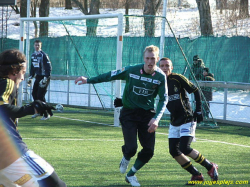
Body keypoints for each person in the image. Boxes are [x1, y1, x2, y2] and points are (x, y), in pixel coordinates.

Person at [75, 45, 168, 187]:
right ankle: (126, 157)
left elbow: (163, 99)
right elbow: (110, 75)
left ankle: (131, 175)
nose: (150, 62)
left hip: (147, 116)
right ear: (144, 58)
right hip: (129, 113)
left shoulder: (160, 77)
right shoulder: (131, 70)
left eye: (153, 59)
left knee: (149, 151)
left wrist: (156, 119)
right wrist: (89, 80)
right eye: (147, 58)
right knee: (131, 149)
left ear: (157, 59)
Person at [0, 49, 66, 187]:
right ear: (14, 71)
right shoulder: (7, 83)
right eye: (23, 73)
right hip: (12, 155)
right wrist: (31, 109)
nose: (23, 78)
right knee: (56, 184)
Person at [159, 57, 218, 185]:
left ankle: (210, 167)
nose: (164, 68)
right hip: (174, 121)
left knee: (184, 148)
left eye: (167, 66)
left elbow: (195, 90)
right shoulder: (158, 82)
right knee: (173, 151)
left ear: (171, 67)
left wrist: (198, 110)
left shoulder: (177, 78)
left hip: (187, 118)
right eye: (162, 66)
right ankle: (196, 175)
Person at [28, 39, 52, 120]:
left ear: (40, 46)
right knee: (34, 94)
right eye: (35, 45)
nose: (37, 46)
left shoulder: (43, 55)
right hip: (37, 77)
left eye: (38, 45)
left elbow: (49, 67)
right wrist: (31, 76)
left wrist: (46, 77)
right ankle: (38, 111)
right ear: (33, 46)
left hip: (44, 77)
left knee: (40, 96)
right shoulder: (33, 55)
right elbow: (33, 67)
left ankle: (47, 113)